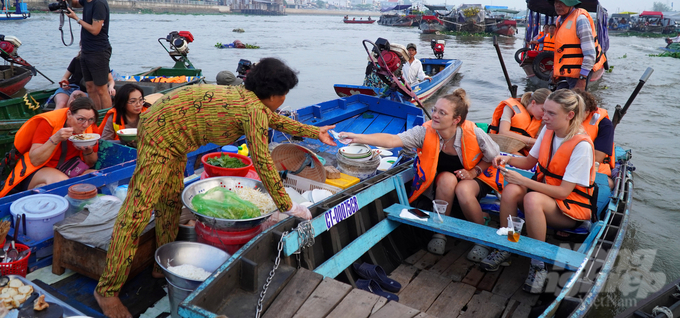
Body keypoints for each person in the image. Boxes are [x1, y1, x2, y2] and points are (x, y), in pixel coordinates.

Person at [94, 58, 336, 318]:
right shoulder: (252, 109)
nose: (285, 99)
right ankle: (107, 290)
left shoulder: (249, 97)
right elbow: (264, 162)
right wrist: (289, 206)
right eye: (285, 94)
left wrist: (314, 131)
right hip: (159, 134)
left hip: (172, 131)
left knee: (170, 200)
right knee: (137, 212)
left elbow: (272, 119)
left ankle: (159, 264)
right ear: (274, 95)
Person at [337, 89, 499, 257]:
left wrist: (474, 171)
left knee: (463, 189)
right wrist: (357, 137)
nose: (434, 115)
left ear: (456, 120)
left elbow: (494, 156)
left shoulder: (474, 133)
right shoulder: (425, 132)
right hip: (445, 181)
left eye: (442, 113)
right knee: (446, 179)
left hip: (476, 179)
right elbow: (393, 140)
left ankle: (482, 237)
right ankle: (440, 232)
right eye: (435, 110)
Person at [481, 90, 596, 294]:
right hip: (546, 196)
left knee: (532, 199)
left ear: (570, 115)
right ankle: (509, 244)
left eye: (551, 113)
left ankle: (538, 263)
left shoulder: (582, 146)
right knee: (511, 191)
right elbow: (529, 162)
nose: (544, 118)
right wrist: (507, 159)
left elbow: (562, 192)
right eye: (545, 112)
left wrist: (525, 181)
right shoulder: (548, 131)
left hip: (570, 209)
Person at [0, 97, 99, 197]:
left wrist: (88, 151)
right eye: (80, 119)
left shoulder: (90, 128)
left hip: (70, 168)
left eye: (90, 119)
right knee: (61, 182)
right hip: (39, 170)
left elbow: (91, 162)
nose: (85, 124)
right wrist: (55, 138)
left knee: (96, 176)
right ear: (69, 114)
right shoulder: (49, 123)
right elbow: (35, 160)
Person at [61, 0, 112, 110]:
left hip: (99, 51)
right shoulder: (87, 1)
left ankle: (106, 119)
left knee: (101, 89)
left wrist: (76, 19)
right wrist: (68, 0)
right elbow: (77, 3)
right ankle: (96, 116)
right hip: (86, 50)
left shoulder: (99, 3)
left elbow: (95, 30)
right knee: (90, 87)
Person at [548, 0, 607, 91]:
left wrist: (582, 79)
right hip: (566, 72)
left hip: (580, 73)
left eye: (562, 2)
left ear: (571, 4)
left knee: (573, 103)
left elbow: (590, 54)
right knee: (557, 99)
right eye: (556, 2)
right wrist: (555, 70)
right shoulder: (559, 20)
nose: (557, 5)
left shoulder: (581, 19)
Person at [572, 89, 615, 189]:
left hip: (592, 168)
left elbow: (598, 157)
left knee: (609, 184)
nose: (571, 115)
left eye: (576, 112)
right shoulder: (562, 117)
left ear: (587, 111)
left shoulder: (604, 124)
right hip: (563, 164)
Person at [49, 52, 116, 109]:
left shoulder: (101, 63)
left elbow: (110, 80)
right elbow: (65, 77)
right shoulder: (76, 60)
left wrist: (111, 87)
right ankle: (53, 122)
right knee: (61, 103)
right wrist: (64, 83)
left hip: (86, 91)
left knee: (75, 95)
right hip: (70, 88)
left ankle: (69, 119)